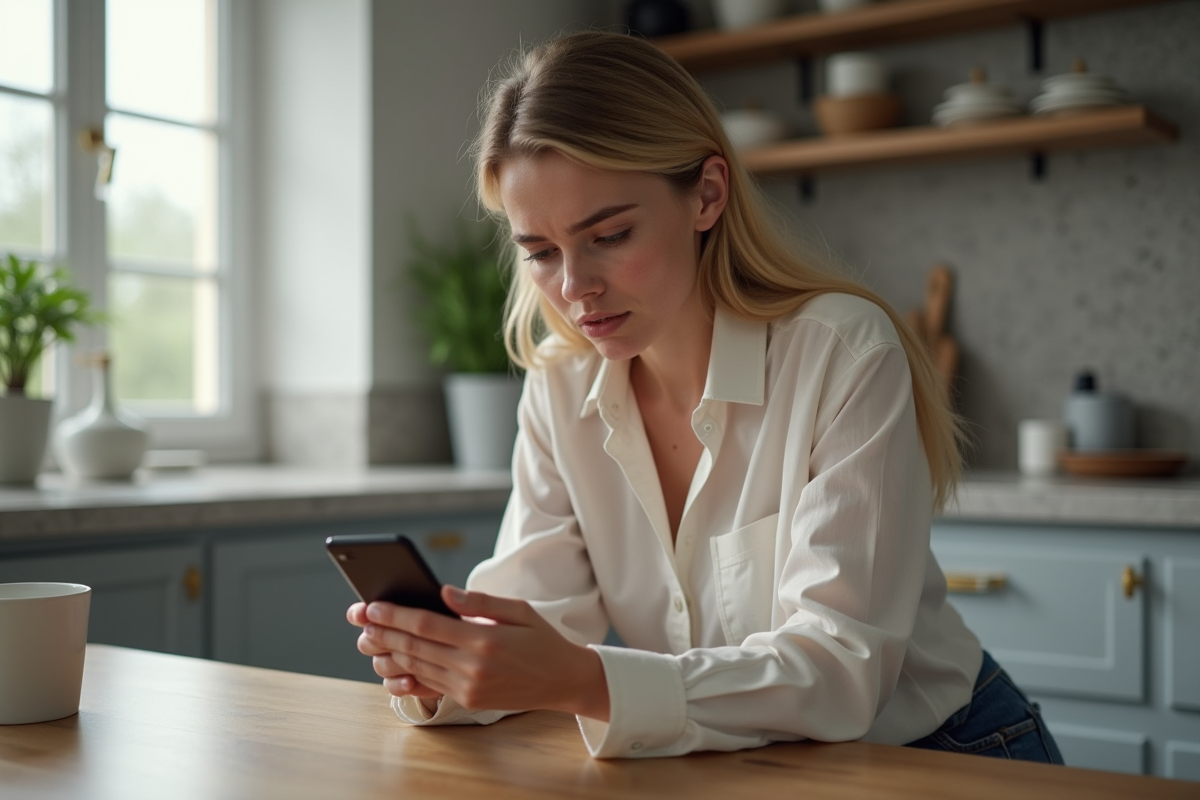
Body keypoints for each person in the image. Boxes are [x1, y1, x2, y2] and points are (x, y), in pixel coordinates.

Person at [348, 30, 1064, 763]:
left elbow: (839, 670)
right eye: (540, 252)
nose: (574, 287)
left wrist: (590, 680)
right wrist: (445, 668)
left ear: (707, 195)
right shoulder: (560, 384)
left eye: (611, 234)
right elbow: (540, 614)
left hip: (943, 750)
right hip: (746, 762)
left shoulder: (844, 352)